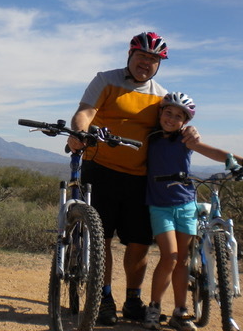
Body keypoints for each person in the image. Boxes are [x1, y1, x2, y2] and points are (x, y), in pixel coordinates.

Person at [67, 31, 201, 325]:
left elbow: (172, 124)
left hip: (140, 178)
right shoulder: (106, 80)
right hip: (100, 169)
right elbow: (85, 112)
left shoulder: (160, 95)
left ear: (158, 64)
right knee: (100, 239)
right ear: (130, 55)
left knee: (139, 243)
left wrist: (190, 131)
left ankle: (132, 300)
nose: (146, 63)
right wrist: (79, 132)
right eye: (141, 56)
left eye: (153, 59)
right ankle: (103, 298)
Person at [143, 92, 243, 331]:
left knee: (183, 260)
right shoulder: (151, 137)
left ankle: (180, 311)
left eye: (178, 116)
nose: (171, 119)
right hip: (160, 206)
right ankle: (154, 307)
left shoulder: (185, 140)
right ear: (160, 113)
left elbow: (214, 152)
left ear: (185, 121)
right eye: (168, 112)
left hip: (186, 204)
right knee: (169, 257)